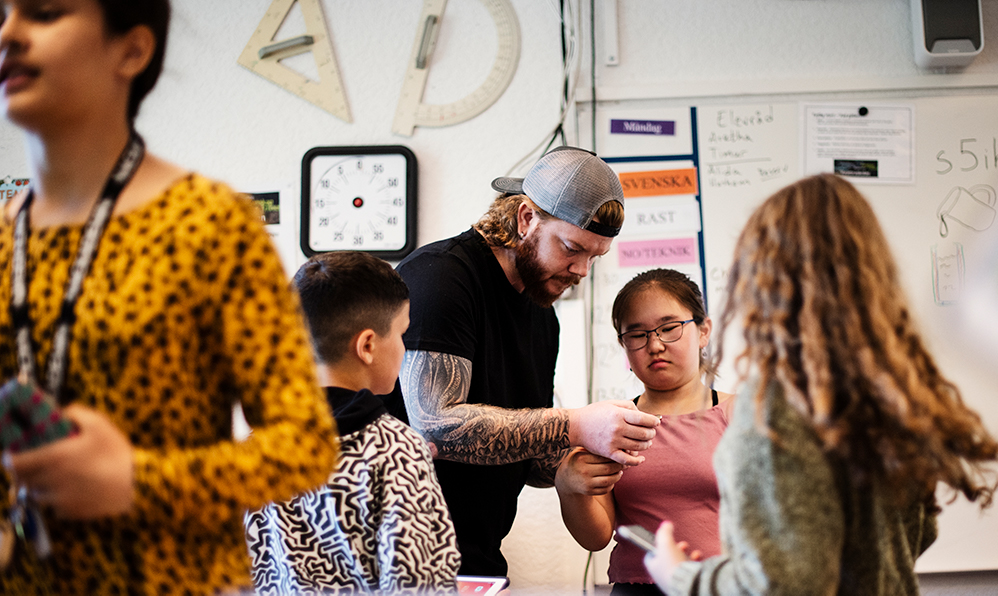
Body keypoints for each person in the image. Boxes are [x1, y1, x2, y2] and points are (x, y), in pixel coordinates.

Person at [0, 0, 338, 592]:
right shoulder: (5, 240)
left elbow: (305, 446)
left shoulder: (211, 225)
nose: (9, 33)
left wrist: (136, 478)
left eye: (45, 12)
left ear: (131, 50)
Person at [643, 174, 998, 596]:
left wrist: (681, 575)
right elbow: (919, 534)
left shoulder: (778, 412)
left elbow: (785, 587)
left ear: (764, 280)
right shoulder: (889, 397)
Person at [390, 146, 661, 576]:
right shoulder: (442, 279)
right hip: (402, 564)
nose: (582, 270)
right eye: (572, 248)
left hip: (479, 559)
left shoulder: (541, 313)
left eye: (594, 257)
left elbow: (522, 452)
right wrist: (576, 425)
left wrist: (578, 463)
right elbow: (434, 424)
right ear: (525, 218)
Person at [245, 251, 461, 594]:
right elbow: (419, 584)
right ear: (368, 345)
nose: (404, 348)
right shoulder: (397, 453)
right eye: (402, 334)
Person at [555, 269, 733, 596]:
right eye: (637, 335)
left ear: (703, 330)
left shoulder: (741, 415)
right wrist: (567, 486)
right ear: (623, 345)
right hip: (635, 588)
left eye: (669, 328)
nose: (655, 345)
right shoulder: (610, 424)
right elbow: (595, 537)